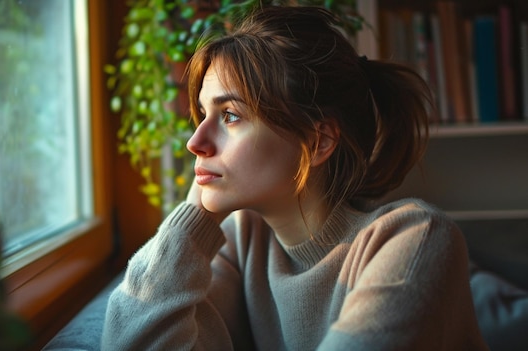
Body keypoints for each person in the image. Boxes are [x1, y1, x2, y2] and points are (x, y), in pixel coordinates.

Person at [101, 5, 487, 350]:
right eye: (202, 115)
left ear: (317, 142)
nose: (195, 142)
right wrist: (194, 217)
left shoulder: (412, 238)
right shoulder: (242, 244)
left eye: (230, 116)